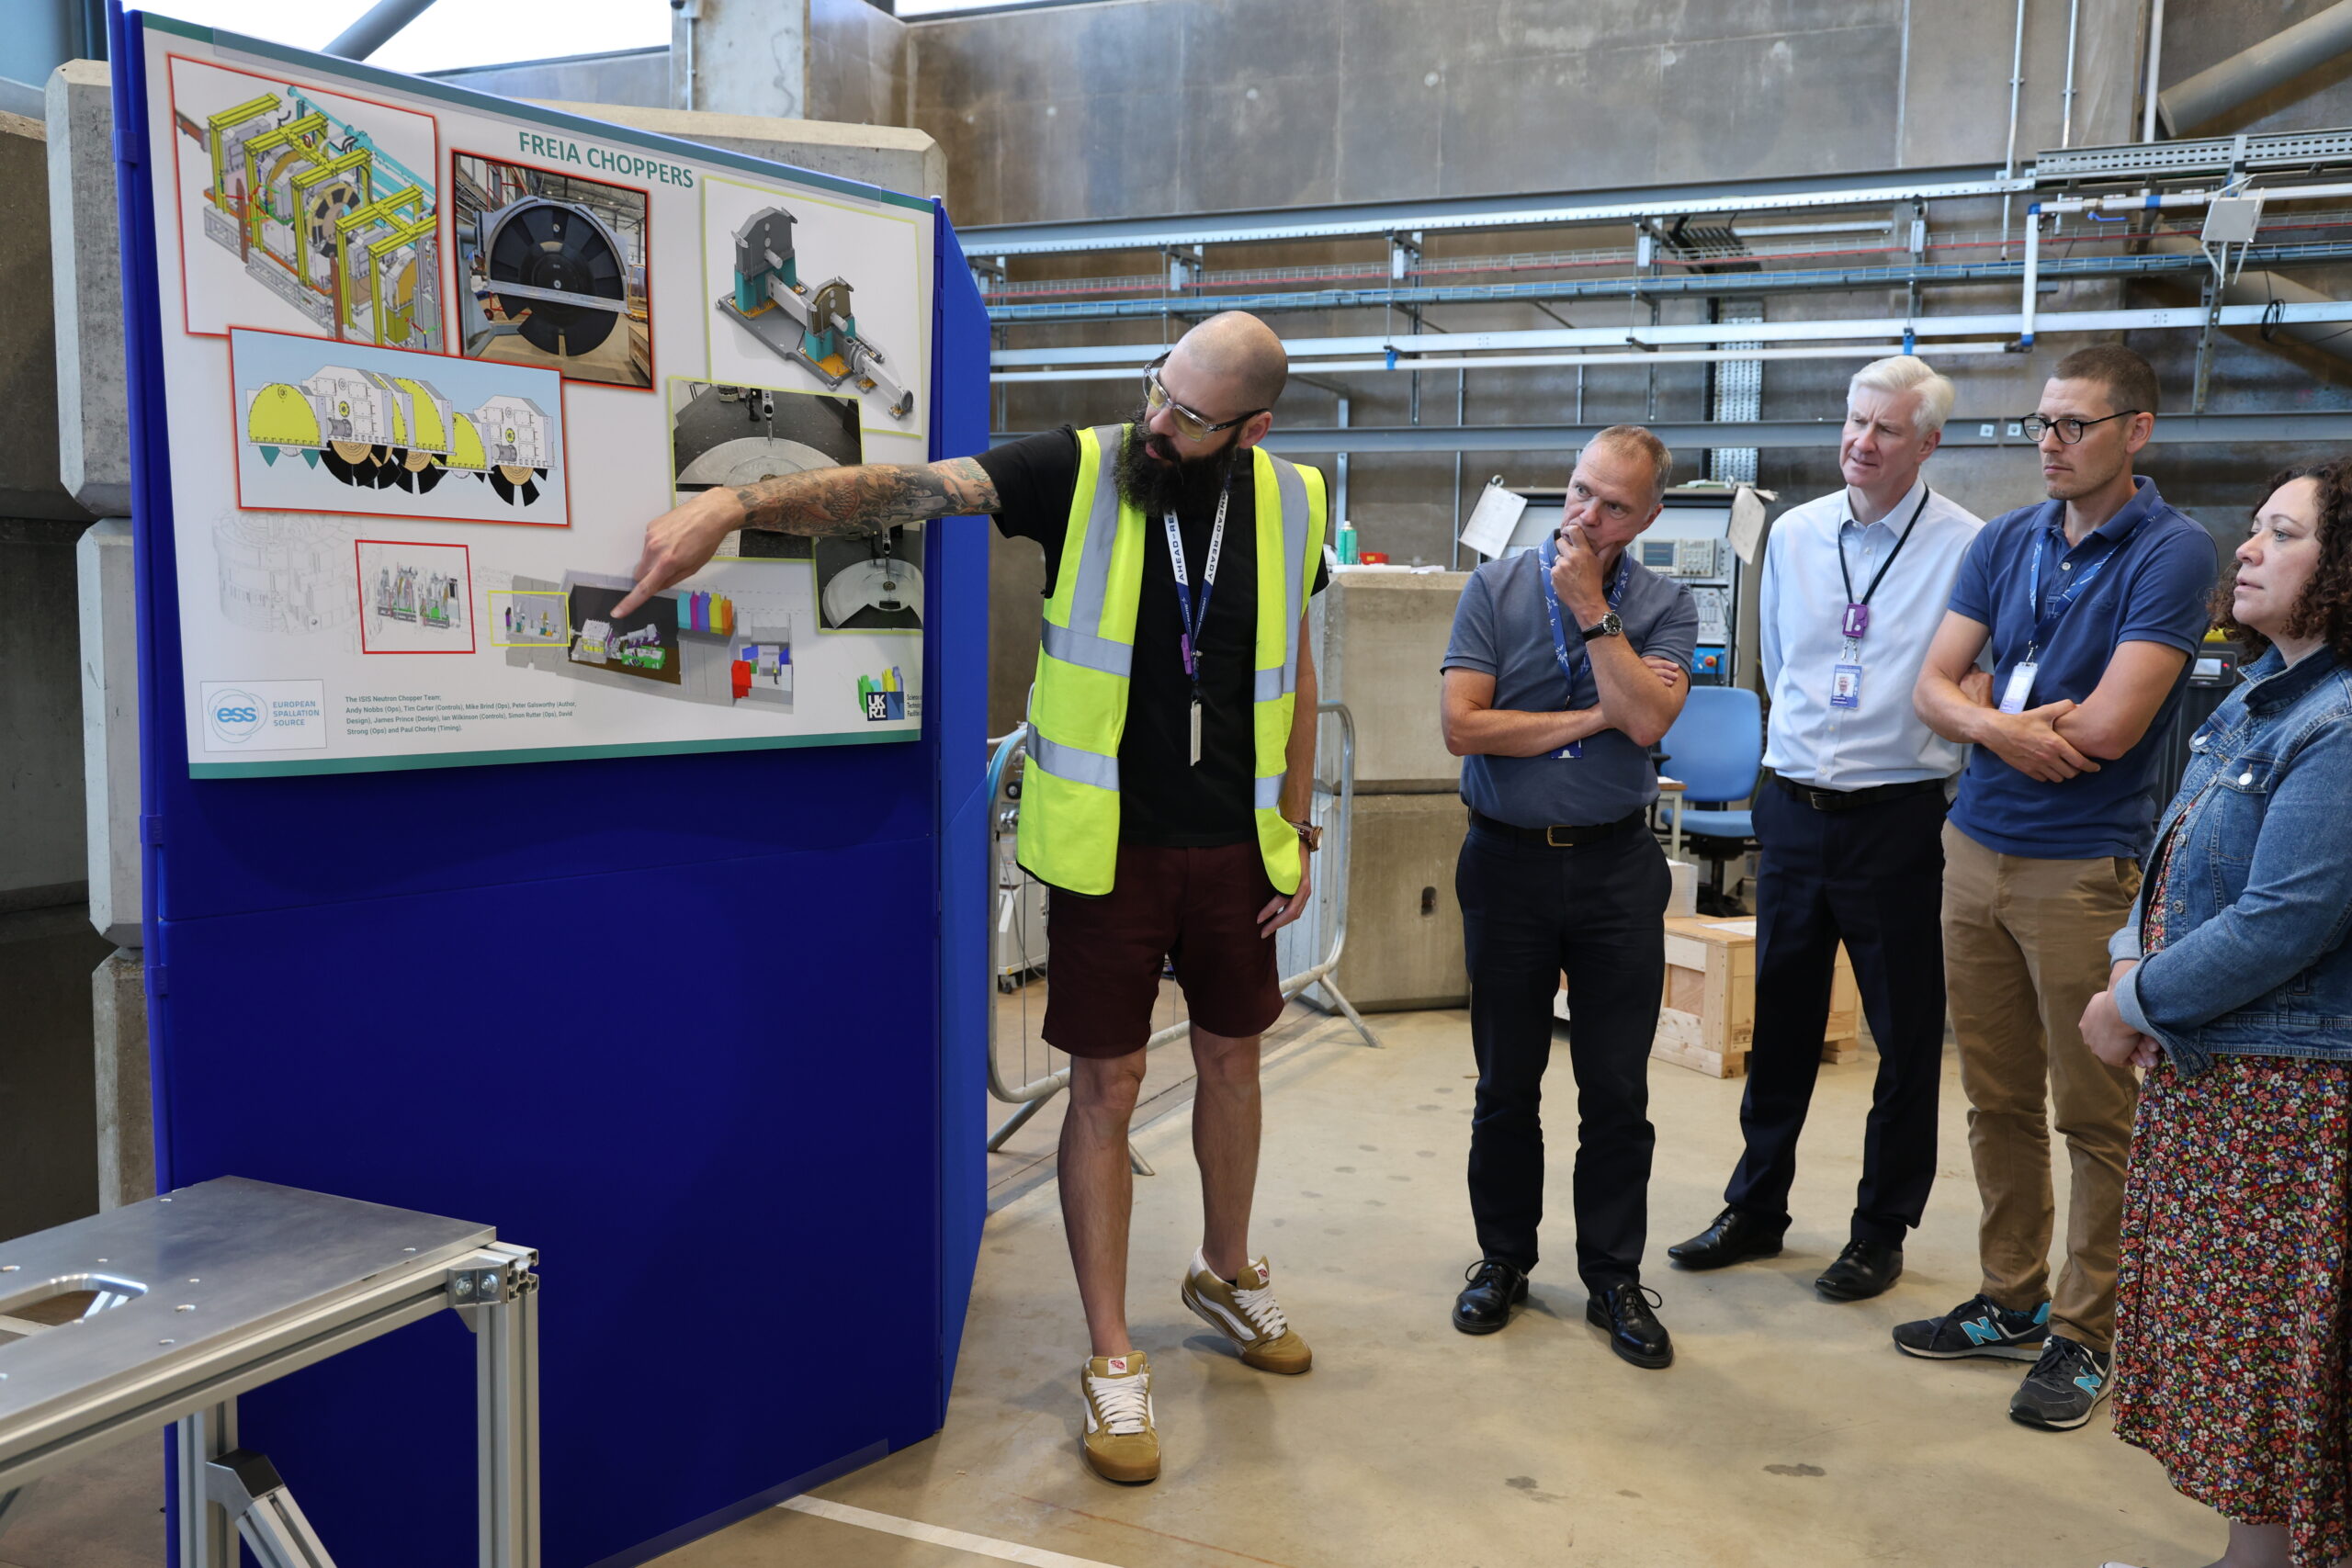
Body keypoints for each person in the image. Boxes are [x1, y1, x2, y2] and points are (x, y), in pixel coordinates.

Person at [616, 311, 1329, 1485]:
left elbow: (1295, 672)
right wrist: (733, 507)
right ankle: (1110, 1354)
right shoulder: (1084, 465)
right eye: (1157, 389)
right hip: (1108, 849)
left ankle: (1227, 1270)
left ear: (1251, 427)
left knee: (1234, 1061)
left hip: (1236, 851)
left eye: (1189, 417)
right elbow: (911, 486)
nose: (1158, 421)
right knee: (1105, 1087)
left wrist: (1295, 829)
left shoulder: (1293, 500)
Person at [1905, 344, 2217, 1430]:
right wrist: (1997, 723)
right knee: (1994, 1097)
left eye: (2073, 425)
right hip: (1973, 845)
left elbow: (2112, 726)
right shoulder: (2006, 541)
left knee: (2095, 1114)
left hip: (2084, 866)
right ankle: (2010, 1298)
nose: (2049, 442)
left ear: (2135, 431)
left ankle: (2088, 1335)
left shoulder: (2173, 553)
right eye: (2040, 423)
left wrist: (1979, 714)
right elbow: (1929, 688)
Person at [1668, 355, 1983, 1300]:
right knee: (1783, 1024)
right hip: (1793, 809)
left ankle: (1879, 1228)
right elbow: (1783, 670)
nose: (1860, 440)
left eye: (1885, 429)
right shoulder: (1796, 536)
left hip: (1898, 816)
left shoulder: (1969, 547)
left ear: (1926, 443)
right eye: (1853, 420)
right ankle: (1756, 1207)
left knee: (1903, 1032)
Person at [2086, 461, 2352, 1568]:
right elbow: (2172, 860)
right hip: (2219, 1077)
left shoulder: (2338, 724)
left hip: (2288, 1101)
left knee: (2275, 1364)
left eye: (2279, 534)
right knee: (2237, 1362)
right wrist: (2128, 966)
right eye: (2253, 529)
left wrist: (2128, 1001)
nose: (2244, 549)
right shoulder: (2262, 691)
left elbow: (2286, 918)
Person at [1440, 426, 1697, 1367]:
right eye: (1580, 492)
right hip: (1503, 861)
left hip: (1615, 870)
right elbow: (1463, 728)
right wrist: (1600, 714)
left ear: (1649, 515)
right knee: (1505, 1083)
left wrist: (1591, 611)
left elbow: (1656, 716)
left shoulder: (1667, 606)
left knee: (1616, 1089)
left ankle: (1612, 1275)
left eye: (1613, 505)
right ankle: (1502, 1259)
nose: (1586, 516)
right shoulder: (1491, 588)